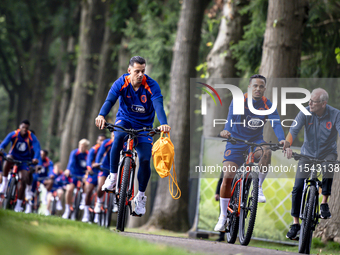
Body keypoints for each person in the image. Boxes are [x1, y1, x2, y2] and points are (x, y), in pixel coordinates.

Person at [95, 56, 171, 216]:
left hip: (144, 126)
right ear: (129, 71)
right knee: (118, 138)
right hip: (125, 119)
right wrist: (101, 115)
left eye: (143, 71)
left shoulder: (151, 85)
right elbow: (110, 100)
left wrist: (164, 123)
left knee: (144, 158)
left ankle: (141, 197)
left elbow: (158, 106)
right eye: (137, 71)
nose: (140, 74)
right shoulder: (121, 82)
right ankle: (113, 176)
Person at [214, 74, 290, 232]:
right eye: (255, 86)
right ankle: (222, 217)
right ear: (249, 87)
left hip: (255, 142)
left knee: (266, 151)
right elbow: (231, 119)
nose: (258, 89)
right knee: (227, 178)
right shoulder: (240, 101)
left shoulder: (268, 104)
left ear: (264, 88)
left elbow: (276, 122)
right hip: (235, 142)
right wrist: (227, 131)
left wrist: (282, 139)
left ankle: (259, 187)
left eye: (261, 86)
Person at [284, 88, 340, 240]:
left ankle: (324, 203)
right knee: (297, 186)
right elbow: (293, 130)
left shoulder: (335, 114)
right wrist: (287, 146)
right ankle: (295, 223)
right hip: (307, 154)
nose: (309, 103)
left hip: (327, 152)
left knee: (329, 165)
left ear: (323, 103)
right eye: (309, 101)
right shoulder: (305, 111)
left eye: (313, 102)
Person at [0, 120, 41, 212]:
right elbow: (4, 143)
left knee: (23, 179)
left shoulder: (31, 136)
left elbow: (37, 147)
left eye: (27, 128)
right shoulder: (14, 134)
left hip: (24, 161)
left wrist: (36, 158)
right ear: (20, 127)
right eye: (23, 127)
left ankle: (18, 205)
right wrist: (1, 149)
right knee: (8, 158)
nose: (25, 130)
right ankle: (5, 181)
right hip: (13, 157)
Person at [62, 139, 89, 219]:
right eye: (80, 145)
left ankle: (83, 201)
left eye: (83, 146)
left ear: (86, 147)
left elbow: (89, 165)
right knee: (69, 189)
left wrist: (86, 175)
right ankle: (67, 210)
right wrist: (68, 170)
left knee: (85, 187)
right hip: (74, 174)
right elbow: (71, 162)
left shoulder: (88, 154)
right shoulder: (74, 152)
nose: (81, 147)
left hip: (83, 174)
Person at [81, 134, 106, 223]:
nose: (102, 142)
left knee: (102, 191)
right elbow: (88, 161)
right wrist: (90, 168)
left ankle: (98, 216)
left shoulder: (107, 149)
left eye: (103, 140)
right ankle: (86, 214)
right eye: (100, 140)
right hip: (94, 173)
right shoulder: (93, 150)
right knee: (88, 191)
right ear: (97, 141)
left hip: (103, 173)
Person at [25, 149, 54, 214]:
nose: (42, 156)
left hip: (43, 178)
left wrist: (51, 174)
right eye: (41, 154)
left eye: (43, 155)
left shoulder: (48, 161)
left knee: (50, 182)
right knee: (31, 189)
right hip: (35, 177)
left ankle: (44, 196)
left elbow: (51, 168)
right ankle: (29, 204)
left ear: (46, 155)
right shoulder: (36, 158)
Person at [215, 173, 225, 242]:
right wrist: (217, 193)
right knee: (222, 213)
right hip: (224, 193)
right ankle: (221, 236)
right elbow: (220, 180)